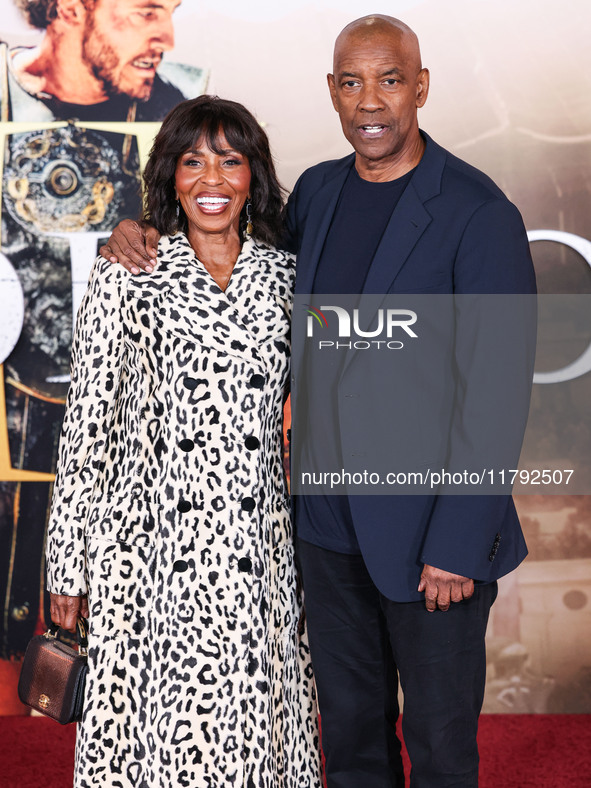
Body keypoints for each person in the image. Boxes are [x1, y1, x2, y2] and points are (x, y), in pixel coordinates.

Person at [100, 15, 537, 788]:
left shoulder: (478, 213)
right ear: (331, 92)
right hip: (325, 530)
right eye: (351, 82)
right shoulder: (319, 195)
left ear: (421, 87)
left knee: (438, 754)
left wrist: (458, 541)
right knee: (350, 746)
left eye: (390, 80)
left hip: (428, 534)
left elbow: (496, 392)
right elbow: (230, 246)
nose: (370, 101)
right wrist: (134, 231)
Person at [46, 95, 322, 788]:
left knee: (256, 737)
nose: (211, 180)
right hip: (144, 557)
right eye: (193, 161)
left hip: (256, 554)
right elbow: (86, 431)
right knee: (152, 744)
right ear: (169, 174)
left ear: (252, 175)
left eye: (230, 161)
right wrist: (66, 570)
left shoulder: (285, 278)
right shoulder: (129, 271)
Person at [1, 0, 207, 121]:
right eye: (146, 14)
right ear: (71, 8)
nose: (168, 42)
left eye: (170, 13)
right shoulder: (5, 90)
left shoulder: (181, 110)